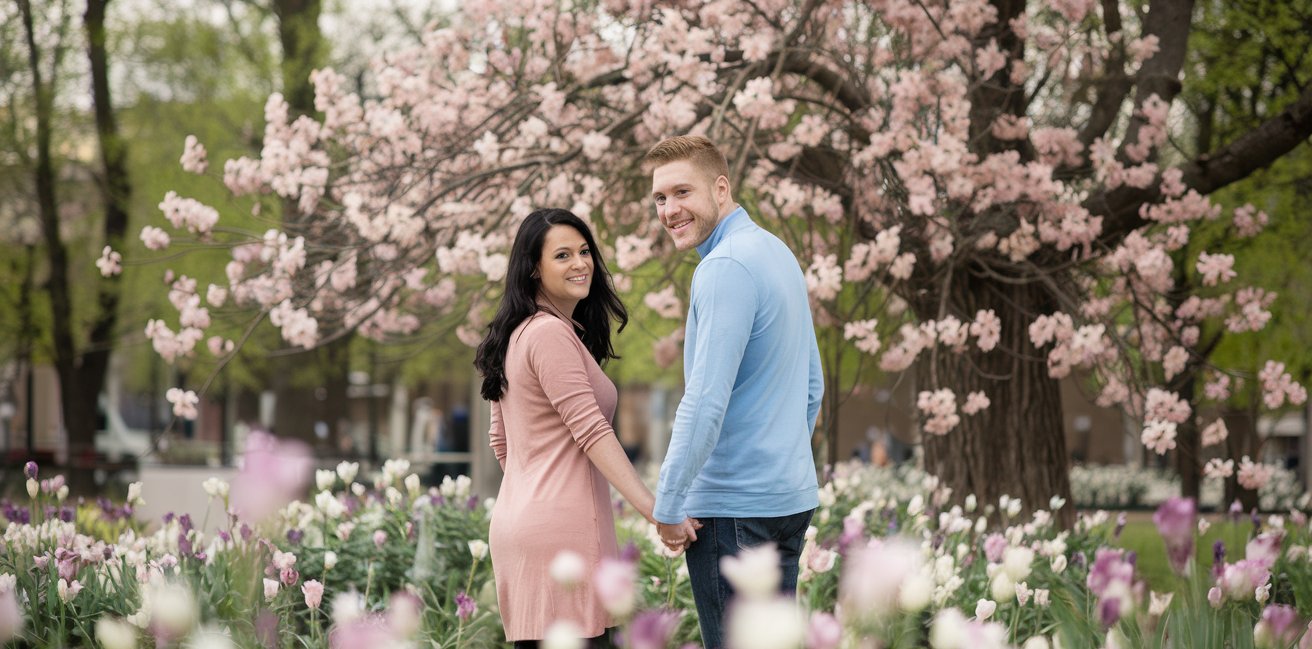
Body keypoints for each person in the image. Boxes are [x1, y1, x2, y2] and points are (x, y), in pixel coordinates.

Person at [643, 136, 823, 649]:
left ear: (721, 188)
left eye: (682, 192)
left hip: (733, 512)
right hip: (786, 500)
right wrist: (780, 457)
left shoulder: (723, 267)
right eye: (660, 198)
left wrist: (670, 504)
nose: (669, 209)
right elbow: (813, 384)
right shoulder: (777, 252)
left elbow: (704, 400)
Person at [474, 208, 661, 649]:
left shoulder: (517, 333)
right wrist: (655, 511)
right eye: (562, 255)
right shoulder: (548, 335)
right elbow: (592, 431)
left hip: (521, 527)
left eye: (584, 251)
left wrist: (538, 487)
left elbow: (503, 444)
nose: (580, 263)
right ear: (534, 268)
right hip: (563, 537)